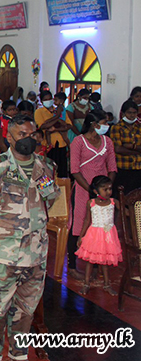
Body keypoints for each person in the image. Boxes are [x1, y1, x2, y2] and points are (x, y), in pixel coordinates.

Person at [0, 114, 60, 361]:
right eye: (22, 135)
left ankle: (19, 356)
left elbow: (49, 199)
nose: (28, 139)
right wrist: (0, 226)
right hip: (4, 256)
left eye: (32, 134)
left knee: (26, 312)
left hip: (36, 255)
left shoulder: (46, 167)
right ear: (9, 136)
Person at [68, 110, 117, 278]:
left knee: (100, 226)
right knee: (78, 224)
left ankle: (97, 265)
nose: (106, 126)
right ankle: (72, 267)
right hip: (83, 189)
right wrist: (91, 190)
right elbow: (74, 170)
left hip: (102, 191)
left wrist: (106, 188)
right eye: (104, 123)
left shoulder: (107, 141)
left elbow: (112, 166)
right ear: (94, 125)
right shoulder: (78, 142)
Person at [76, 175, 122, 296]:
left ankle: (107, 284)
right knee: (90, 262)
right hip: (94, 236)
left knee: (105, 261)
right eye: (105, 189)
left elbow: (125, 212)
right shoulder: (91, 203)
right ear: (96, 191)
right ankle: (86, 284)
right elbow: (87, 220)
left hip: (108, 236)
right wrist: (81, 236)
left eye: (110, 189)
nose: (108, 192)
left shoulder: (113, 202)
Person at [35, 91, 73, 178]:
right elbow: (43, 126)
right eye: (45, 99)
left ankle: (62, 189)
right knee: (49, 170)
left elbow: (69, 125)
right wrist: (57, 117)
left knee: (61, 170)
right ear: (41, 101)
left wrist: (55, 127)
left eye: (49, 99)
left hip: (61, 144)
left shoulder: (60, 110)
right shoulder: (39, 112)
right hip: (48, 146)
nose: (48, 101)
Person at [110, 100, 141, 196]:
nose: (132, 116)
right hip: (123, 168)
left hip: (138, 168)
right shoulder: (117, 128)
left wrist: (131, 146)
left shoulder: (139, 128)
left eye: (134, 113)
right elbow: (118, 149)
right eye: (129, 113)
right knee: (122, 198)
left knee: (136, 199)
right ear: (123, 113)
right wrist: (137, 151)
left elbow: (123, 148)